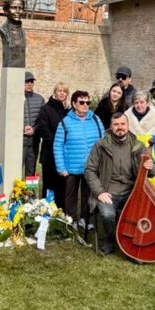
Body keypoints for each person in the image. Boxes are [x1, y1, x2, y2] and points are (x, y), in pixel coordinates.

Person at [84, 112, 155, 255]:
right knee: (107, 214)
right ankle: (111, 239)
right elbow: (89, 170)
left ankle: (134, 239)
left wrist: (151, 167)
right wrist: (100, 192)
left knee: (146, 210)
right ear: (110, 127)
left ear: (128, 125)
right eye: (116, 124)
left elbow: (153, 171)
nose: (120, 127)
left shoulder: (138, 145)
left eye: (123, 124)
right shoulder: (101, 145)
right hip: (108, 192)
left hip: (132, 192)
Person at [53, 90, 105, 227]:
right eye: (81, 102)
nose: (85, 105)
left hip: (91, 166)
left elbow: (103, 141)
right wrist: (61, 167)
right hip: (72, 167)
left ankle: (86, 219)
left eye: (88, 102)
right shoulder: (65, 122)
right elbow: (58, 145)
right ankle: (72, 219)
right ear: (74, 104)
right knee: (71, 196)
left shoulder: (96, 119)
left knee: (89, 195)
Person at [35, 82, 70, 208]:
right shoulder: (46, 109)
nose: (62, 93)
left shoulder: (68, 111)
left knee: (62, 185)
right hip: (50, 154)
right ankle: (47, 211)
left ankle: (61, 211)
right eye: (59, 90)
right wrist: (58, 145)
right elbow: (43, 130)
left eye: (64, 91)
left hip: (65, 155)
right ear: (55, 92)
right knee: (50, 185)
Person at [23, 71, 45, 176]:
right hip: (19, 142)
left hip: (34, 142)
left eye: (31, 81)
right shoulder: (13, 98)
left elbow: (42, 120)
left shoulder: (40, 99)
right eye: (27, 81)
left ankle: (30, 192)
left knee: (31, 171)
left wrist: (34, 130)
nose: (29, 84)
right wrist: (21, 128)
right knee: (15, 169)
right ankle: (14, 192)